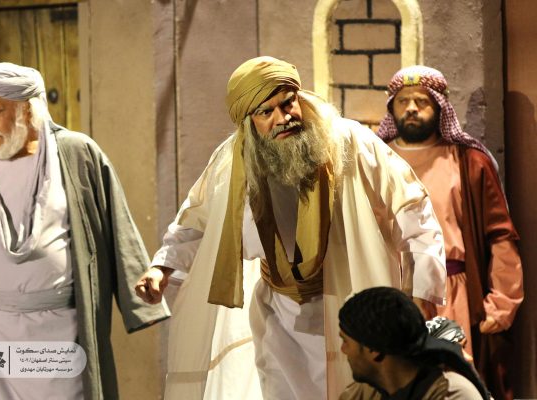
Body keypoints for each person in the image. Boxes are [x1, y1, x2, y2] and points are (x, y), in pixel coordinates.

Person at [135, 56, 446, 399]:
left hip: (343, 299)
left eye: (287, 103)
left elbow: (412, 208)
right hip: (276, 312)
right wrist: (162, 267)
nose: (283, 118)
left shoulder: (348, 141)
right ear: (249, 121)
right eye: (266, 112)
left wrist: (422, 291)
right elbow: (197, 219)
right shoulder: (235, 159)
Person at [0, 62, 170, 400]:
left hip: (58, 331)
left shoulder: (77, 153)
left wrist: (141, 292)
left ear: (29, 111)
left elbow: (116, 225)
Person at [377, 65, 523, 400]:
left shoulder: (468, 161)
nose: (411, 108)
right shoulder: (376, 159)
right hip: (392, 290)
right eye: (403, 101)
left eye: (421, 101)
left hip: (452, 295)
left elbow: (500, 236)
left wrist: (501, 304)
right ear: (392, 107)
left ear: (440, 107)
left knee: (452, 385)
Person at [338, 286, 490, 399]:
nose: (342, 349)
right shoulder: (365, 392)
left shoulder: (452, 394)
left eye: (346, 341)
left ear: (373, 350)